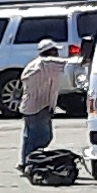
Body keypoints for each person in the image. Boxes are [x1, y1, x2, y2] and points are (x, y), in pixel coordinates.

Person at [17, 39, 69, 169]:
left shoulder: (37, 64)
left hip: (32, 106)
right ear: (50, 52)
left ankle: (25, 162)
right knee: (41, 138)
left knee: (30, 137)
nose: (58, 53)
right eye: (55, 51)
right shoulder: (45, 64)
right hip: (38, 107)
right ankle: (30, 163)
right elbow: (68, 64)